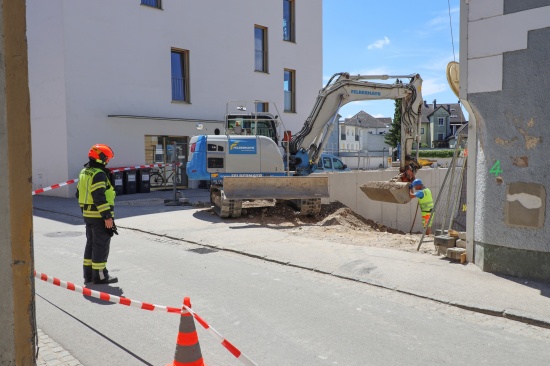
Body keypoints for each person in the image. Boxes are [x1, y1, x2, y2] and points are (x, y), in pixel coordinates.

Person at [76, 144, 118, 284]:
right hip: (99, 216)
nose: (107, 161)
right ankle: (100, 276)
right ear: (100, 158)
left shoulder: (84, 172)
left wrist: (84, 211)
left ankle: (88, 275)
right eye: (106, 158)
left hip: (88, 215)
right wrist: (107, 216)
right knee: (101, 245)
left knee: (91, 244)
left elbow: (79, 194)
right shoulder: (99, 174)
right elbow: (99, 196)